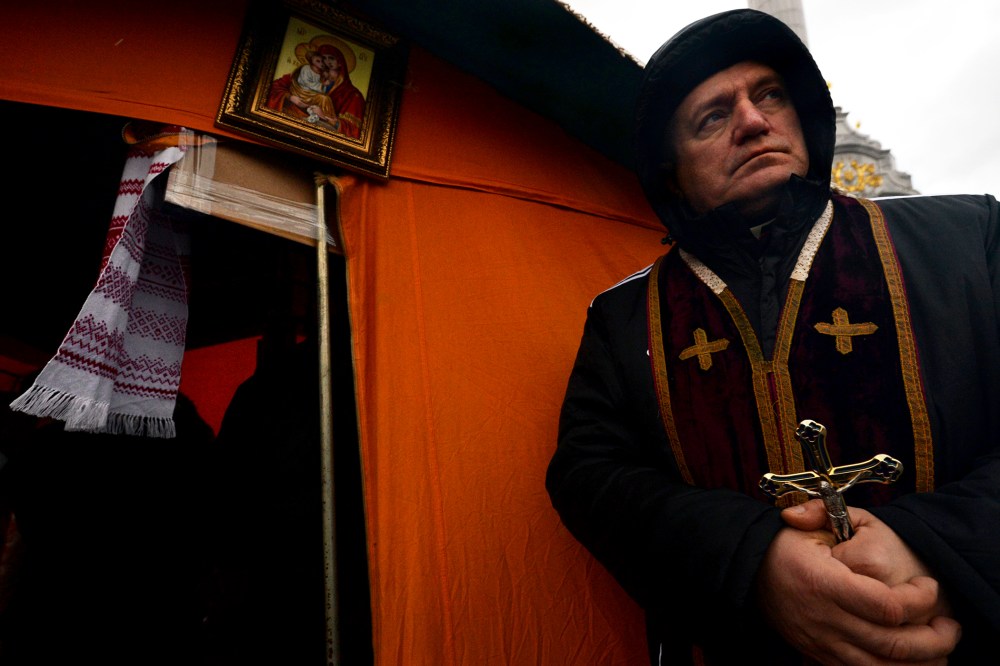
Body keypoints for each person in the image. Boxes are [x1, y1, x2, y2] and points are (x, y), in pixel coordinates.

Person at [546, 9, 1000, 665]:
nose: (754, 121)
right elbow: (590, 478)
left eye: (771, 96)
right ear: (670, 172)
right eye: (712, 117)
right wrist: (752, 559)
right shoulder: (624, 320)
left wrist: (932, 543)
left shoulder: (970, 240)